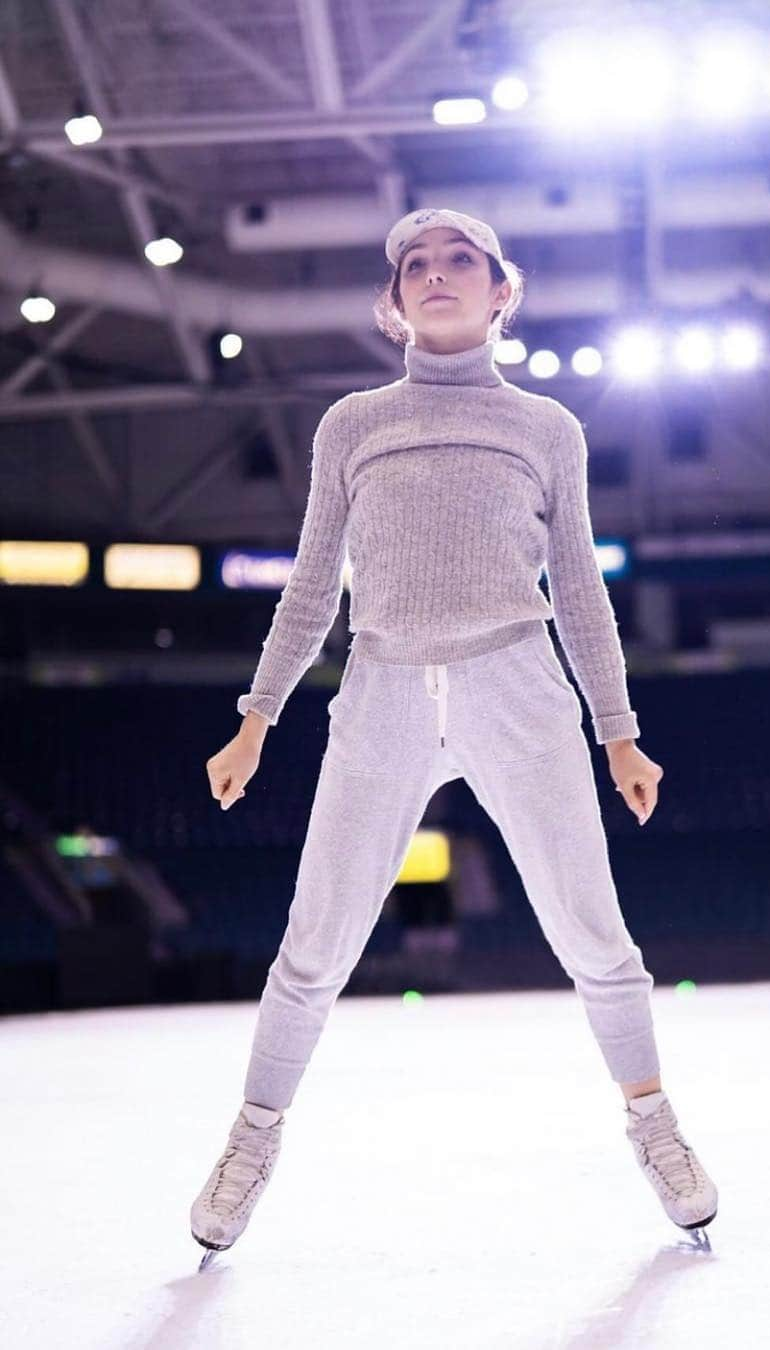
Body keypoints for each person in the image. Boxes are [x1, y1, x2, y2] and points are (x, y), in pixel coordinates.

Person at [191, 209, 717, 1268]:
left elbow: (578, 588)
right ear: (393, 305)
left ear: (500, 294)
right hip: (380, 691)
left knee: (593, 934)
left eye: (460, 262)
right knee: (315, 945)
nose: (436, 275)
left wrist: (620, 732)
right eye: (415, 266)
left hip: (517, 685)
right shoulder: (351, 424)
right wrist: (257, 716)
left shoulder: (548, 429)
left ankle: (655, 1125)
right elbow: (310, 589)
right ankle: (251, 1141)